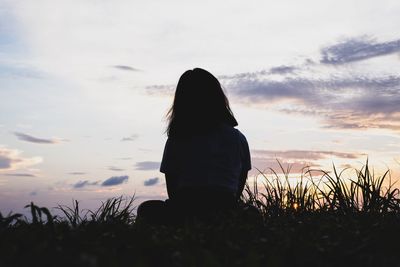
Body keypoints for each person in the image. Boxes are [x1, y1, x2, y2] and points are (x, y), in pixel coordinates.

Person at [137, 68, 251, 224]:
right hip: (225, 208)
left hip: (186, 208)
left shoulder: (177, 139)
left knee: (146, 209)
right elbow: (239, 184)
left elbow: (173, 189)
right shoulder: (238, 138)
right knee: (250, 212)